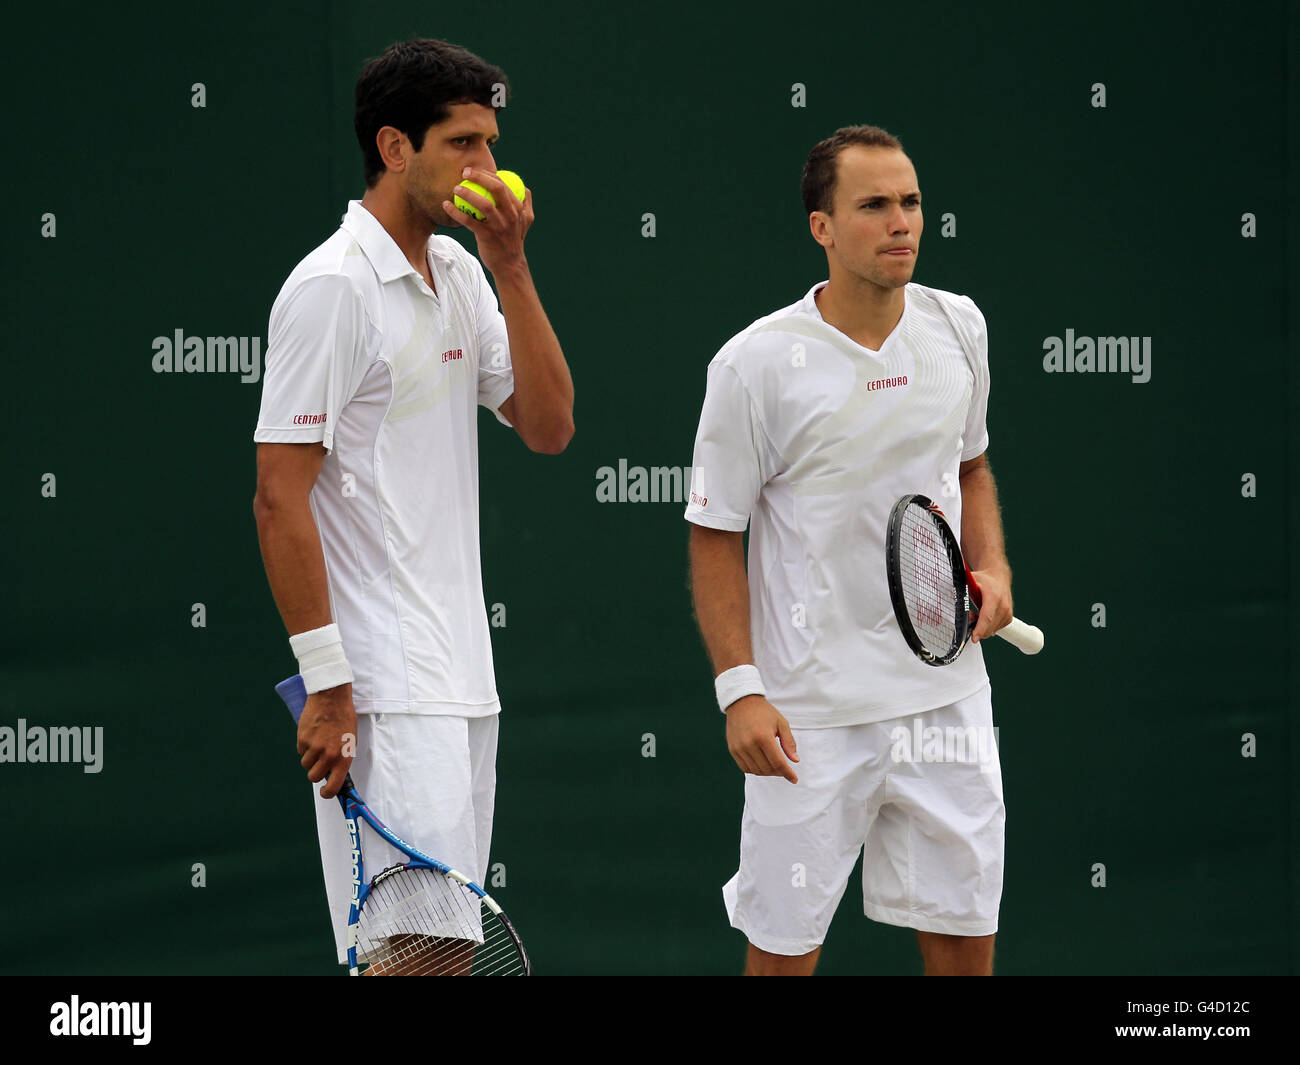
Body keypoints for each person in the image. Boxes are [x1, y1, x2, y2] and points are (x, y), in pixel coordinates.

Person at [252, 38, 573, 973]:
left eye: (492, 143)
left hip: (462, 681)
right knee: (420, 955)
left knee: (432, 954)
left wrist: (509, 265)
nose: (488, 168)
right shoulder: (331, 290)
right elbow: (280, 496)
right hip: (383, 690)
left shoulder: (466, 275)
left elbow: (550, 426)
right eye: (463, 145)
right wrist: (328, 684)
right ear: (395, 149)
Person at [685, 125, 1012, 976]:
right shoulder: (755, 364)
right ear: (821, 227)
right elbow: (716, 533)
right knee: (784, 958)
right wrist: (741, 692)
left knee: (966, 954)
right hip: (811, 718)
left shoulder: (959, 327)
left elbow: (971, 465)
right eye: (873, 205)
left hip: (947, 705)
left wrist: (996, 566)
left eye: (910, 202)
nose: (901, 221)